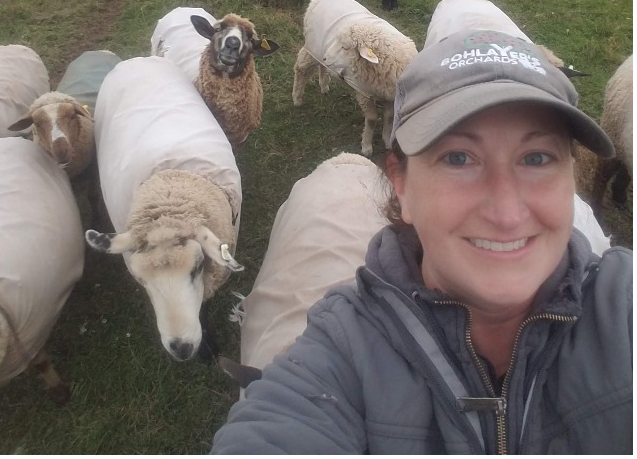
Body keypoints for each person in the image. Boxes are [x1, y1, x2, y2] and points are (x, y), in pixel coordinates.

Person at [212, 30, 632, 454]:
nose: (507, 214)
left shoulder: (623, 310)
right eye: (458, 158)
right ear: (402, 185)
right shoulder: (339, 356)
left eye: (537, 157)